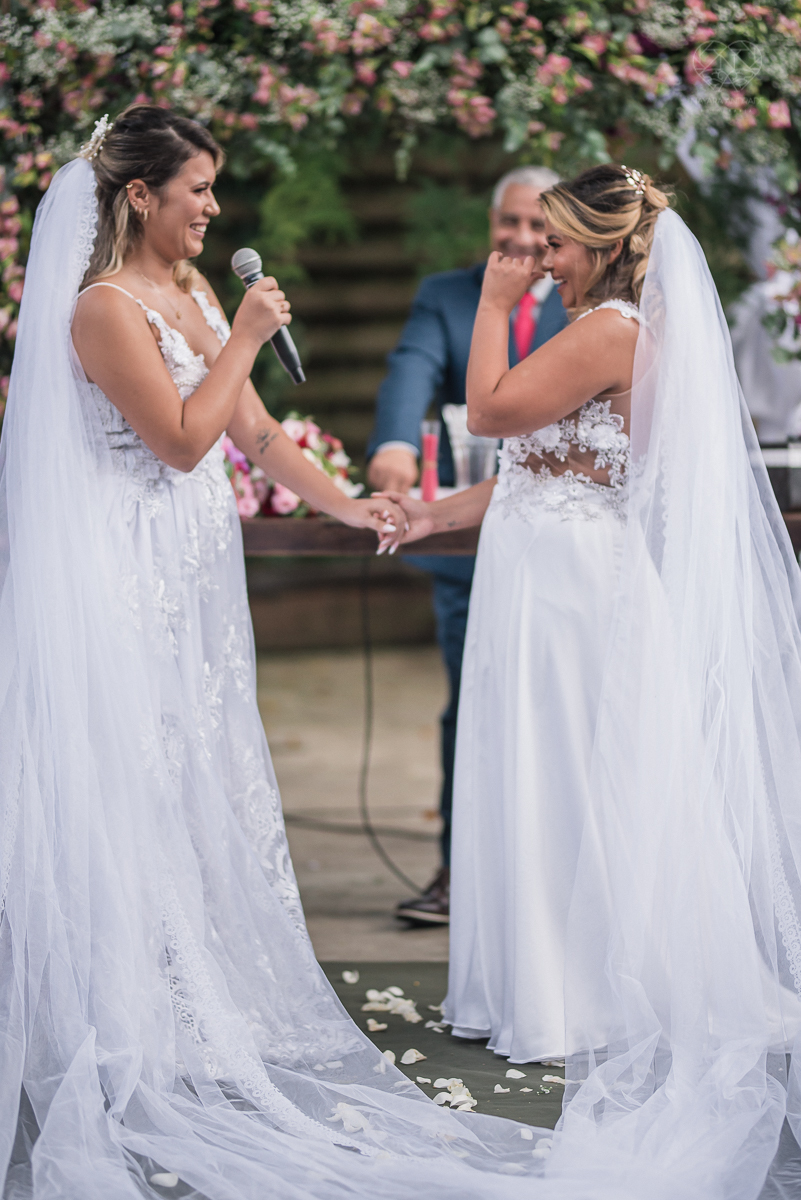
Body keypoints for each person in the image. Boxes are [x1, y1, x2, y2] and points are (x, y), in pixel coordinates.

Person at [1, 106, 563, 1199]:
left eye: (213, 189)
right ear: (137, 199)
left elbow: (255, 432)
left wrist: (354, 508)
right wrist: (250, 334)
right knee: (135, 781)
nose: (213, 208)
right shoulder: (100, 309)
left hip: (196, 581)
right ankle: (121, 1017)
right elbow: (176, 440)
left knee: (196, 772)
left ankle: (185, 999)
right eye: (196, 190)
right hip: (123, 578)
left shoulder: (201, 291)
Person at [379, 164, 801, 1195]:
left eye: (559, 241)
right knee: (531, 772)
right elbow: (540, 466)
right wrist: (429, 515)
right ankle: (539, 983)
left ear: (603, 245)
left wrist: (490, 304)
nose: (543, 258)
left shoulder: (612, 329)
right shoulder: (603, 326)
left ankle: (585, 997)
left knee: (571, 778)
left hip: (572, 594)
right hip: (544, 574)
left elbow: (488, 411)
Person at [367, 166, 568, 925]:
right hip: (467, 538)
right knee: (473, 697)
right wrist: (392, 449)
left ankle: (551, 872)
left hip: (562, 541)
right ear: (489, 225)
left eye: (535, 227)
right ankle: (460, 871)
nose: (519, 240)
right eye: (506, 225)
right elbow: (408, 370)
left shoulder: (588, 305)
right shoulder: (445, 293)